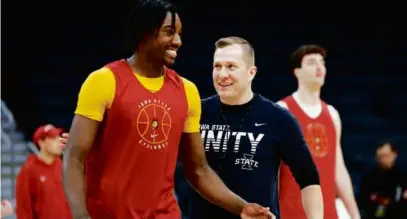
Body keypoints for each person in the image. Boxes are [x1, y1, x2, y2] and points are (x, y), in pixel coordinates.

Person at [63, 1, 273, 219]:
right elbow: (74, 157)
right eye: (169, 32)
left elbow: (198, 169)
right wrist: (81, 215)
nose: (178, 41)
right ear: (145, 33)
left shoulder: (187, 91)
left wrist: (241, 207)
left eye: (179, 34)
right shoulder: (104, 81)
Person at [174, 36, 324, 219]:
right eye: (217, 66)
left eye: (231, 66)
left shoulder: (278, 119)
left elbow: (308, 178)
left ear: (251, 72)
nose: (222, 74)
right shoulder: (195, 112)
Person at [277, 44, 361, 219]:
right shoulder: (282, 110)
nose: (319, 67)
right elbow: (271, 169)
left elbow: (339, 170)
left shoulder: (332, 115)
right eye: (311, 62)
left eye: (322, 62)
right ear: (297, 71)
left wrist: (355, 215)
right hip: (291, 213)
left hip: (327, 213)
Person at [16, 124, 72, 219]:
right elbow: (24, 208)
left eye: (59, 137)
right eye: (53, 138)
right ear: (41, 142)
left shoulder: (64, 167)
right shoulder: (28, 170)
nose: (59, 141)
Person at [359, 140, 407, 219]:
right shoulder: (369, 176)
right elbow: (364, 199)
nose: (383, 160)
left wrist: (387, 201)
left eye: (386, 156)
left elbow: (405, 199)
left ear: (394, 154)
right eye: (380, 157)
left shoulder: (404, 175)